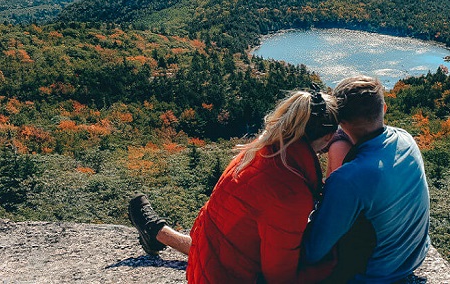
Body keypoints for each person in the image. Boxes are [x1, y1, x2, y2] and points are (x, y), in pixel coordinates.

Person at [128, 86, 338, 283]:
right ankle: (156, 232)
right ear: (328, 137)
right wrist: (334, 262)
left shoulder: (258, 151)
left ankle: (156, 231)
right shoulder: (289, 192)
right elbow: (279, 277)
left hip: (208, 256)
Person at [304, 75, 431, 283]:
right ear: (384, 109)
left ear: (341, 123)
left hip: (375, 275)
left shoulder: (348, 179)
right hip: (413, 258)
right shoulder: (406, 139)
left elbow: (313, 251)